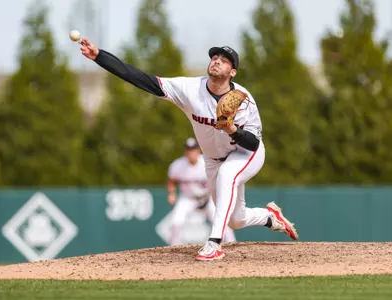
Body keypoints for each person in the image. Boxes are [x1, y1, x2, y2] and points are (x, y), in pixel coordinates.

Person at [79, 39, 299, 261]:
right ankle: (270, 217)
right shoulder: (189, 89)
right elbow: (141, 79)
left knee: (228, 175)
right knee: (236, 220)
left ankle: (214, 243)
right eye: (214, 58)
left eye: (224, 61)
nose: (216, 61)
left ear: (232, 72)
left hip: (245, 154)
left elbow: (252, 143)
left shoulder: (243, 100)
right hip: (213, 159)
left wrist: (232, 129)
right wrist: (100, 56)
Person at [167, 137, 236, 246]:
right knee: (176, 221)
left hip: (207, 198)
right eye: (189, 150)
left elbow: (219, 178)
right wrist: (171, 193)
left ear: (198, 150)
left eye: (193, 149)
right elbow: (171, 180)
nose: (191, 152)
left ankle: (232, 244)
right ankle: (173, 247)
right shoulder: (178, 165)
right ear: (185, 151)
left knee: (221, 221)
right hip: (188, 198)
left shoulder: (206, 162)